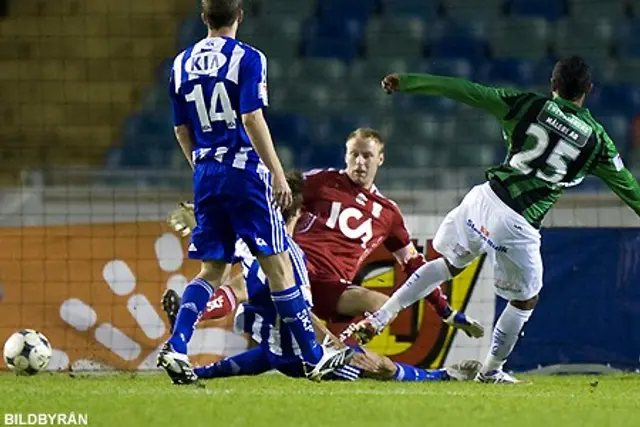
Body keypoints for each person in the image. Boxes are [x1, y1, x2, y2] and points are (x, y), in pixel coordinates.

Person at [350, 56, 640, 383]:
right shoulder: (597, 141)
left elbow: (467, 90)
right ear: (588, 90)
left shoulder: (526, 105)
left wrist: (409, 81)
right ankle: (491, 371)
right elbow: (629, 188)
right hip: (518, 221)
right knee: (525, 298)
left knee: (448, 265)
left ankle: (381, 316)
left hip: (483, 198)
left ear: (552, 85)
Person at [159, 0, 351, 384]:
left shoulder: (179, 64)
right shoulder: (248, 57)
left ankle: (177, 348)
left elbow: (182, 129)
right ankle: (313, 357)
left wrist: (202, 171)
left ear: (203, 18)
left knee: (212, 269)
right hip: (245, 171)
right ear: (240, 16)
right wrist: (277, 174)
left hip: (206, 169)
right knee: (277, 266)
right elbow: (250, 117)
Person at [166, 129, 485, 340]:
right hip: (297, 266)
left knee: (382, 303)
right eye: (354, 155)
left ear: (380, 159)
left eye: (367, 156)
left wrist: (445, 311)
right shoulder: (322, 181)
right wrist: (209, 207)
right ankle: (191, 311)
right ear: (346, 155)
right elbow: (270, 196)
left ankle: (342, 345)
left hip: (334, 285)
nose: (359, 162)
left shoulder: (389, 213)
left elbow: (414, 267)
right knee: (254, 275)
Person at [170, 172, 482, 383]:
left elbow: (236, 225)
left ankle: (195, 339)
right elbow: (304, 317)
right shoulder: (291, 253)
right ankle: (441, 376)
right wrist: (329, 348)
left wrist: (202, 216)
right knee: (377, 365)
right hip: (301, 351)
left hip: (280, 334)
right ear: (300, 212)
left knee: (264, 330)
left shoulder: (258, 242)